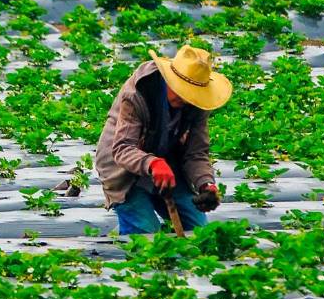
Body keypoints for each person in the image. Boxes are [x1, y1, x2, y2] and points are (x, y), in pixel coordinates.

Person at [94, 45, 232, 234]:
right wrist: (154, 163)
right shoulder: (138, 93)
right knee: (145, 234)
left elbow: (196, 153)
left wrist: (206, 184)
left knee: (200, 230)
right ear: (169, 80)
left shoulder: (198, 103)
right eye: (181, 91)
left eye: (190, 94)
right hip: (123, 169)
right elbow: (123, 148)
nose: (185, 99)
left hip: (168, 165)